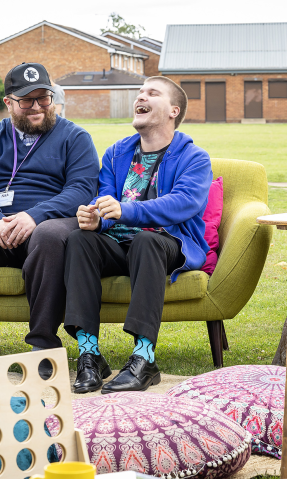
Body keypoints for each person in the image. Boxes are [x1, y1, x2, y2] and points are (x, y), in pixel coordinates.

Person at [64, 76, 213, 393]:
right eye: (139, 93)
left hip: (168, 244)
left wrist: (125, 210)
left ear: (173, 110)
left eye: (152, 93)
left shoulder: (193, 157)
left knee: (146, 240)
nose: (140, 97)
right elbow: (104, 199)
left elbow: (184, 203)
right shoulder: (117, 154)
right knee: (79, 239)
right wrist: (95, 217)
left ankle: (144, 360)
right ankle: (89, 356)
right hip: (120, 245)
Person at [0, 62, 99, 361]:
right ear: (8, 102)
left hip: (48, 224)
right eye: (27, 100)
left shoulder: (75, 138)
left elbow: (81, 188)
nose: (37, 106)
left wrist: (35, 216)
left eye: (44, 98)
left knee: (51, 235)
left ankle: (43, 346)